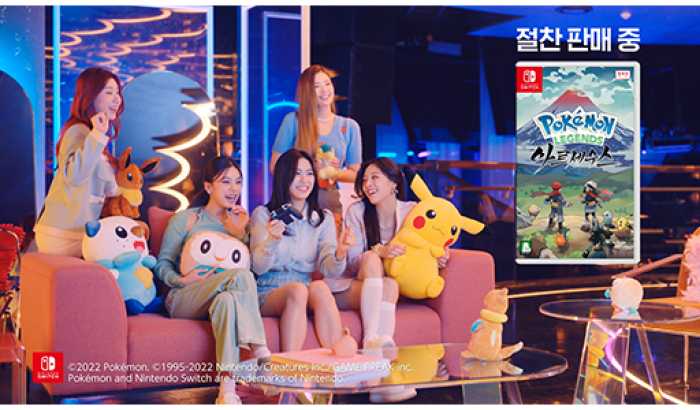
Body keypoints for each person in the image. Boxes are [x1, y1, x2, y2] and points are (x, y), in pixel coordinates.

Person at [331, 157, 450, 403]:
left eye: (375, 178)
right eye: (364, 180)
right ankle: (370, 340)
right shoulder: (357, 211)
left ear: (394, 183)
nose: (368, 184)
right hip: (350, 284)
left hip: (383, 286)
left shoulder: (410, 211)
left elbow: (434, 233)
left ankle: (380, 373)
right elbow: (351, 263)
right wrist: (380, 251)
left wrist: (440, 253)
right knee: (372, 260)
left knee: (392, 284)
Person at [155, 156, 270, 406]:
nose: (234, 189)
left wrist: (239, 233)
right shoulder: (187, 219)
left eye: (238, 182)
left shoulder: (240, 224)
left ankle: (227, 391)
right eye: (226, 181)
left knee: (227, 300)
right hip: (184, 297)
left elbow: (251, 275)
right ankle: (260, 349)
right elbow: (161, 263)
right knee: (240, 276)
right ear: (208, 186)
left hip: (218, 300)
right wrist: (181, 279)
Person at [251, 149, 354, 352]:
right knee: (298, 291)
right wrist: (272, 241)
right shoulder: (264, 214)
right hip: (267, 289)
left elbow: (329, 269)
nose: (304, 180)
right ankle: (290, 364)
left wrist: (340, 252)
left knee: (321, 287)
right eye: (297, 173)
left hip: (305, 288)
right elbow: (258, 267)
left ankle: (338, 355)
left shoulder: (323, 218)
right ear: (284, 176)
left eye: (309, 173)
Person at [34, 67, 123, 257]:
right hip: (63, 235)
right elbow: (75, 177)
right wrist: (98, 134)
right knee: (126, 251)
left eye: (118, 93)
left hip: (76, 232)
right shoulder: (78, 131)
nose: (117, 99)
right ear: (90, 96)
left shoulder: (93, 136)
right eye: (109, 92)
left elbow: (111, 189)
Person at [269, 64, 362, 226]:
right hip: (296, 201)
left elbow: (356, 173)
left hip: (329, 201)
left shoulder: (349, 126)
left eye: (327, 83)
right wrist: (311, 168)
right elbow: (274, 167)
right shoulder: (293, 121)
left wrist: (332, 172)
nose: (324, 90)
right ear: (307, 92)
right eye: (316, 86)